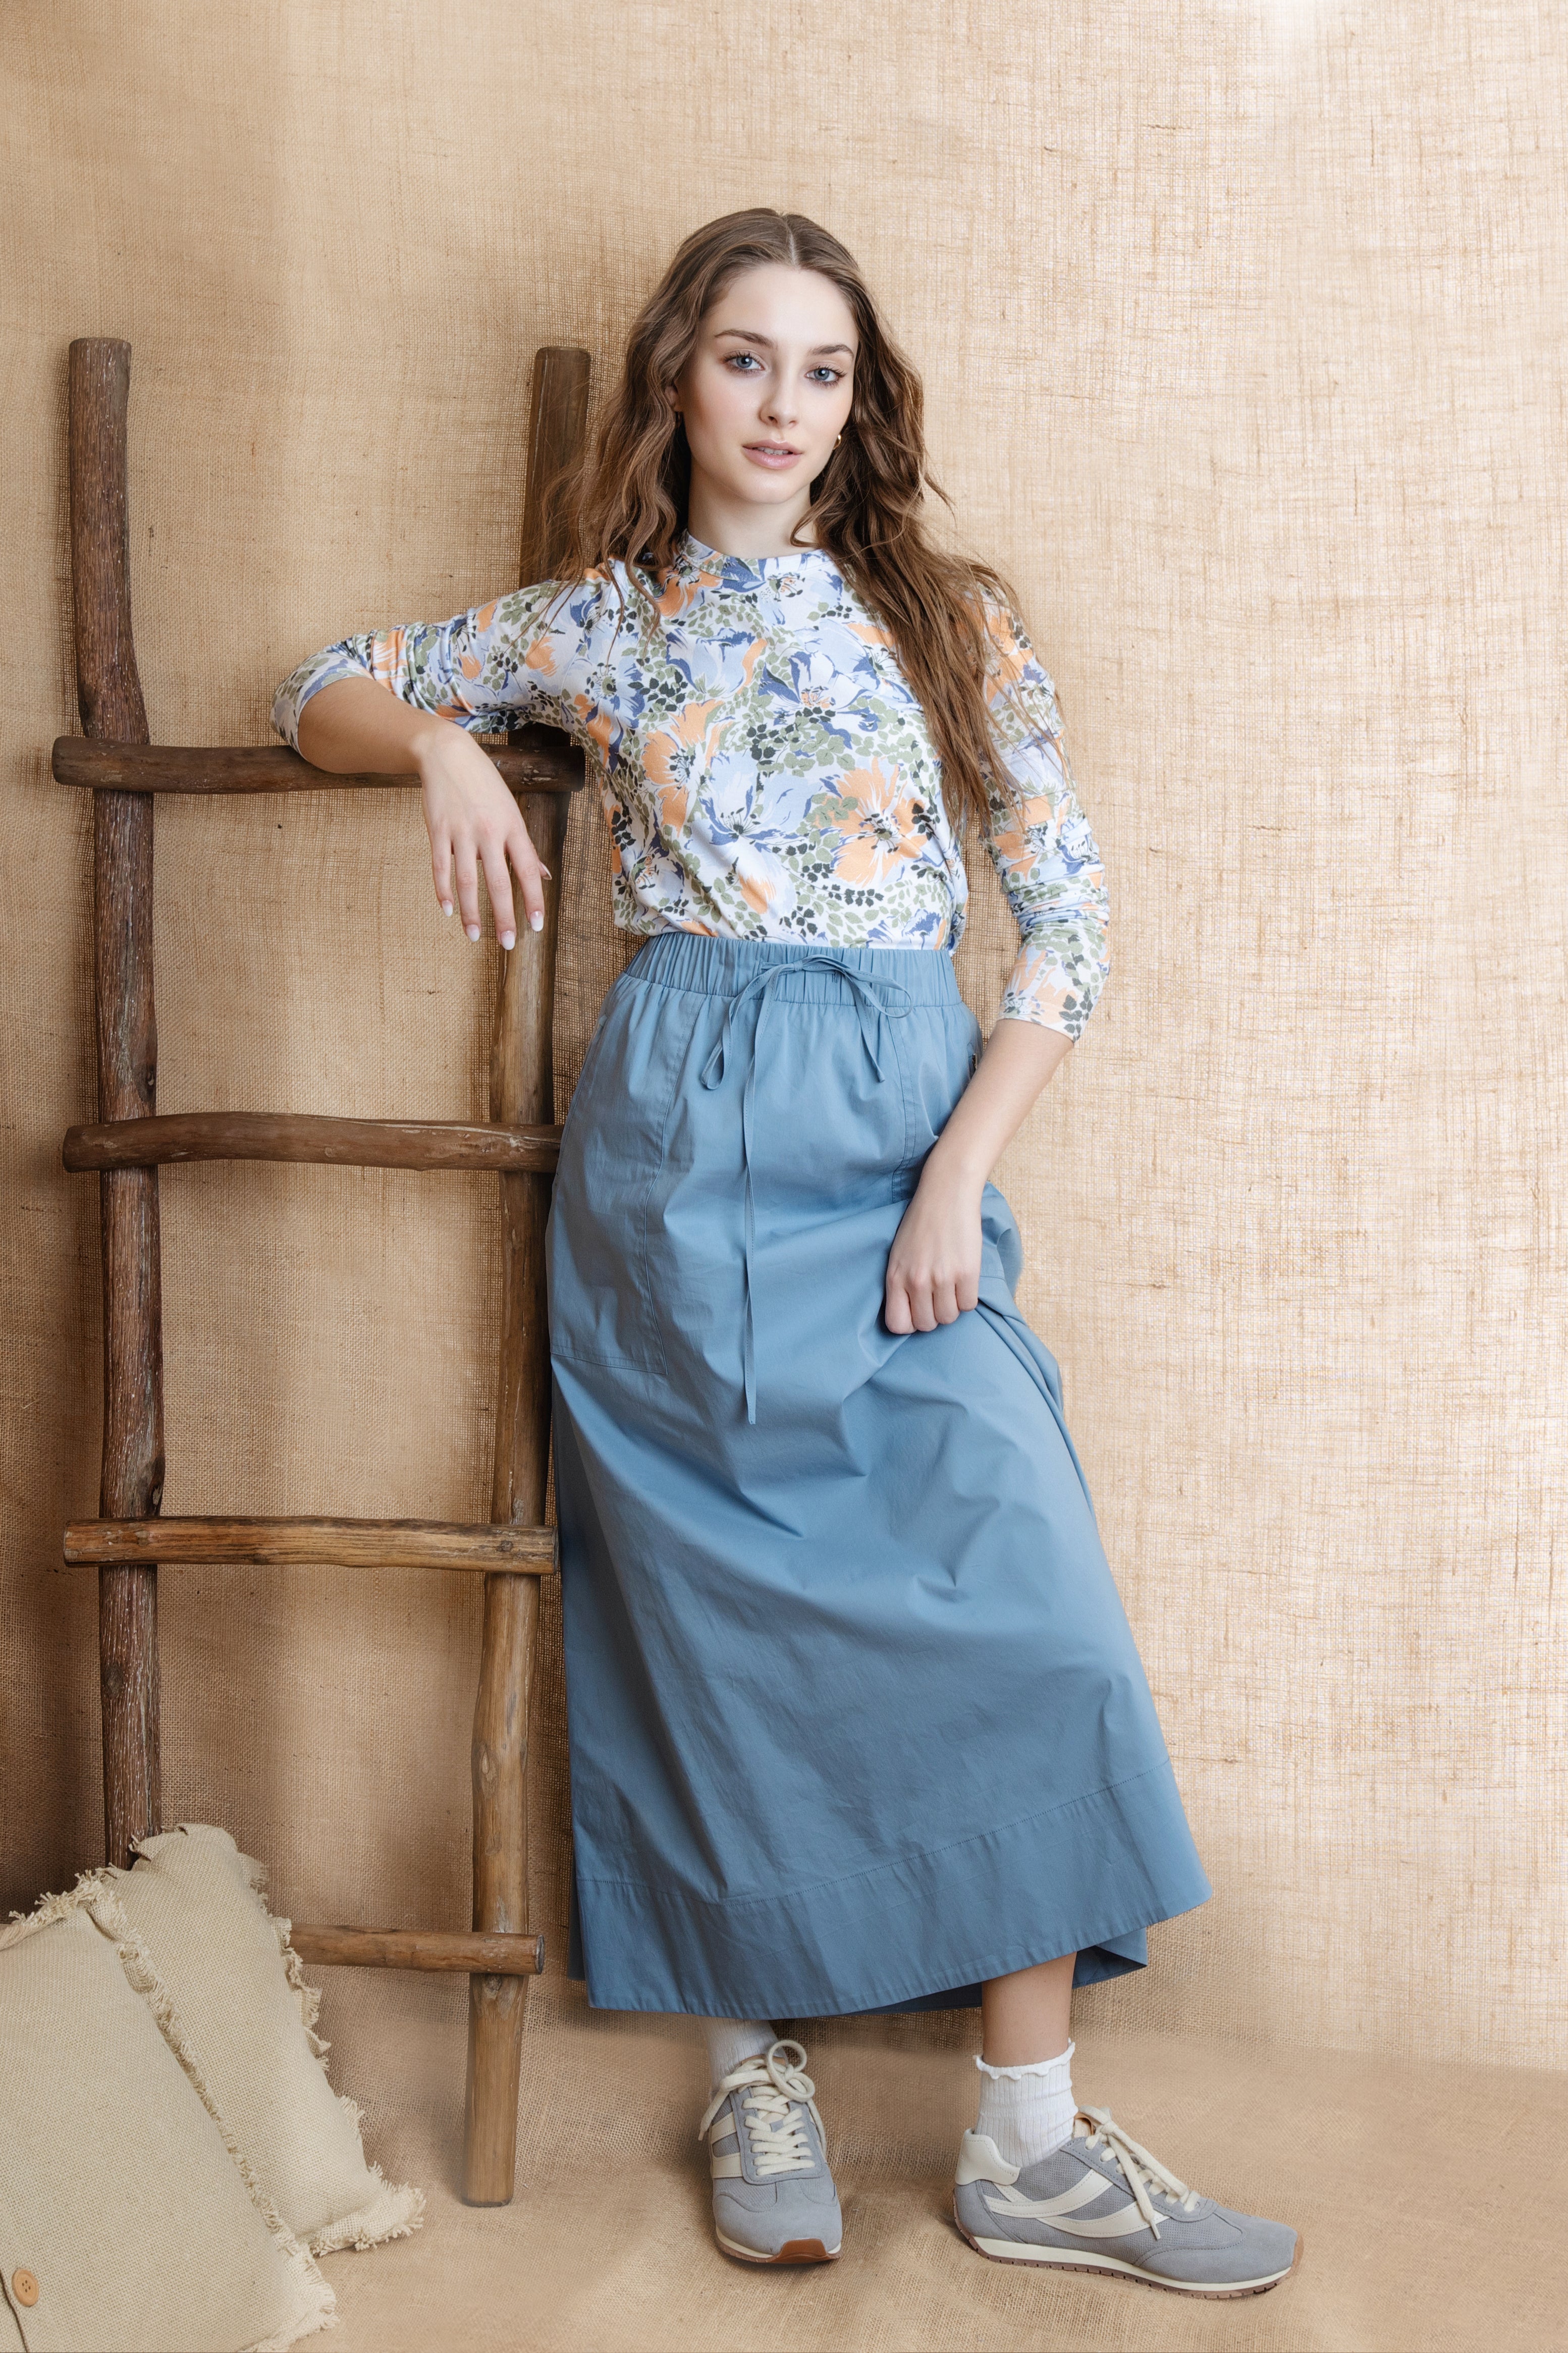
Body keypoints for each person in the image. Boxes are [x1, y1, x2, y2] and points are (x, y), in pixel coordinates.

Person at [274, 207, 1301, 2298]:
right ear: (679, 374)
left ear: (861, 401)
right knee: (709, 1621)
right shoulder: (607, 622)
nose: (781, 406)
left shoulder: (950, 619)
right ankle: (756, 2078)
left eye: (821, 371)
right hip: (677, 1141)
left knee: (1027, 1604)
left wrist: (951, 1181)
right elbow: (319, 691)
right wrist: (447, 742)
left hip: (899, 1121)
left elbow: (1070, 929)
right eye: (745, 359)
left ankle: (1033, 2142)